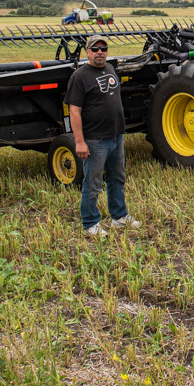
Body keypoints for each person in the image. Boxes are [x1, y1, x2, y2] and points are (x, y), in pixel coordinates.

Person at [64, 34, 141, 236]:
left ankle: (119, 217)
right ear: (87, 52)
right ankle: (90, 224)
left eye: (103, 48)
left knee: (117, 178)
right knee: (93, 183)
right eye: (95, 49)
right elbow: (74, 111)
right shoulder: (79, 77)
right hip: (95, 139)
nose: (100, 52)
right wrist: (79, 142)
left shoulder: (110, 68)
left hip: (116, 136)